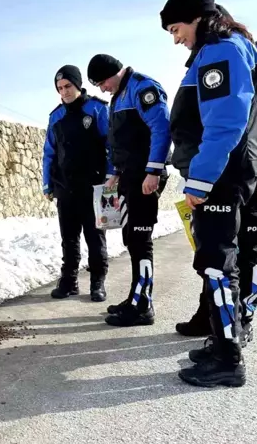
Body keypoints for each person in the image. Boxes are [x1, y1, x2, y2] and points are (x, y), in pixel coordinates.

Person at [175, 4, 257, 350]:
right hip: (227, 169)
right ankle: (215, 321)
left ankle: (241, 322)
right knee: (221, 251)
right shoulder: (211, 56)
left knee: (244, 251)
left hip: (249, 172)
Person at [160, 0, 257, 387]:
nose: (176, 39)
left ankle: (227, 358)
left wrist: (200, 181)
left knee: (216, 265)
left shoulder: (221, 50)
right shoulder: (222, 48)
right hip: (223, 174)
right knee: (220, 262)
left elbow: (224, 123)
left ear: (197, 17)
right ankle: (222, 342)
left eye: (175, 29)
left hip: (220, 177)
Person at [86, 54, 172, 326]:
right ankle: (135, 296)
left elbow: (161, 128)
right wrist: (113, 173)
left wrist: (153, 170)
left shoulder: (142, 88)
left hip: (145, 177)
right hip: (129, 177)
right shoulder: (118, 97)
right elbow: (117, 141)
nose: (102, 88)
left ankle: (143, 305)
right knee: (132, 239)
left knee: (140, 240)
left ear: (114, 73)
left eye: (102, 82)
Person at [42, 65, 112, 302]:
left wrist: (111, 177)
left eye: (68, 86)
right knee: (69, 239)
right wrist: (47, 184)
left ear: (78, 85)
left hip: (94, 188)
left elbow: (111, 147)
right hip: (66, 188)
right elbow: (49, 153)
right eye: (60, 88)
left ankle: (97, 283)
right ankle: (69, 282)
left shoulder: (97, 109)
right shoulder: (55, 116)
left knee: (95, 238)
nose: (64, 92)